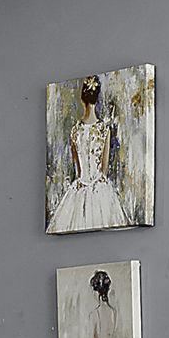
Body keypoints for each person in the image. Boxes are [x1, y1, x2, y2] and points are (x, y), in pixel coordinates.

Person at [48, 76, 130, 232]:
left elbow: (78, 169)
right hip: (100, 188)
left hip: (79, 188)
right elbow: (104, 169)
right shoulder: (104, 130)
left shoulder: (75, 131)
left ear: (82, 99)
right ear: (96, 99)